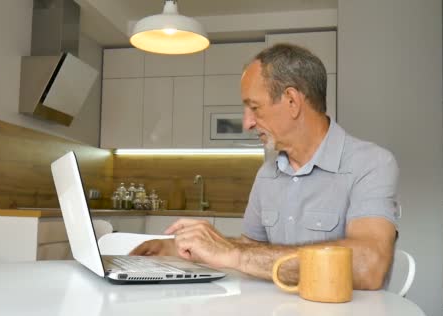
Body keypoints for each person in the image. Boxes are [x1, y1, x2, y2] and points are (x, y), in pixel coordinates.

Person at [131, 44, 399, 290]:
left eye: (254, 108)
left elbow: (368, 266)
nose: (247, 123)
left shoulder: (370, 163)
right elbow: (254, 248)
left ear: (292, 101)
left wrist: (235, 255)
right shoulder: (268, 173)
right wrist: (184, 247)